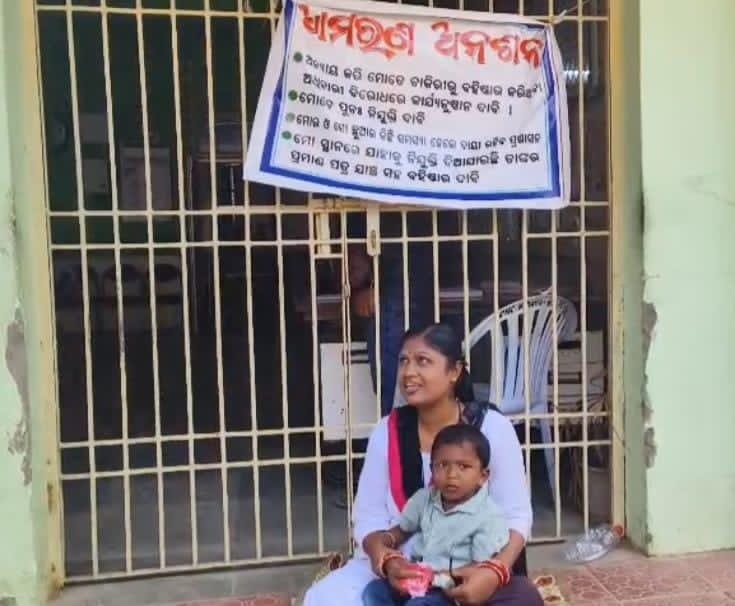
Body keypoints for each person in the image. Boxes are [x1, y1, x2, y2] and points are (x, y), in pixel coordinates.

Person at [302, 323, 543, 606]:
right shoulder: (387, 431)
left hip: (471, 568)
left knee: (523, 598)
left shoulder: (492, 428)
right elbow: (368, 517)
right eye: (403, 361)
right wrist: (387, 560)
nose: (409, 372)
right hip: (404, 566)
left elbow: (516, 515)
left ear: (454, 371)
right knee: (325, 598)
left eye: (423, 361)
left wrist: (493, 573)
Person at [361, 423, 510, 606]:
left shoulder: (488, 516)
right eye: (442, 465)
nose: (452, 474)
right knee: (374, 591)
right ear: (431, 469)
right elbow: (402, 530)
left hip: (449, 587)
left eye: (463, 466)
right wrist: (385, 545)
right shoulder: (424, 499)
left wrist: (441, 577)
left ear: (483, 476)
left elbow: (480, 566)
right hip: (416, 576)